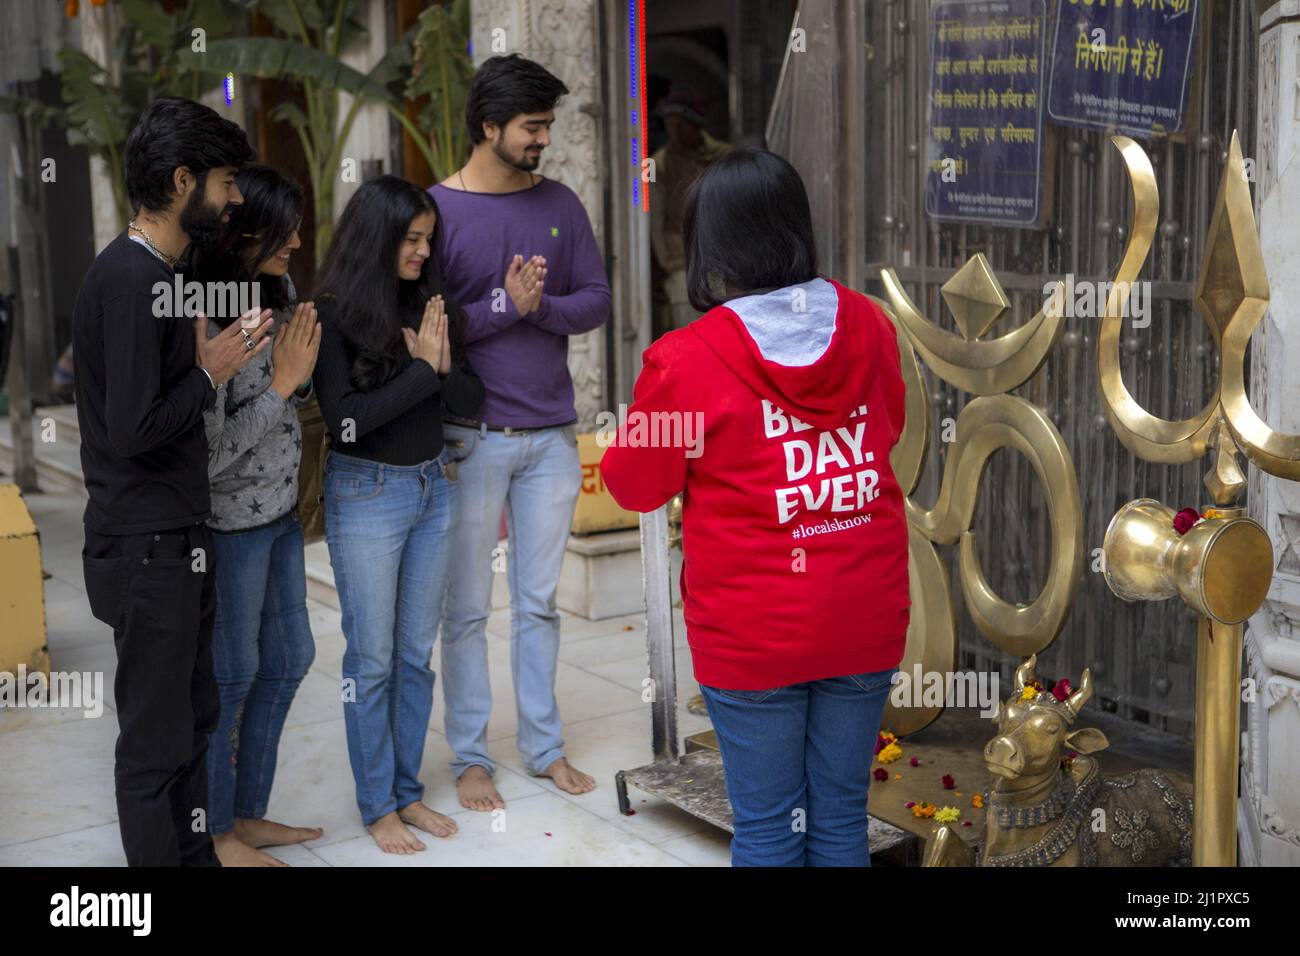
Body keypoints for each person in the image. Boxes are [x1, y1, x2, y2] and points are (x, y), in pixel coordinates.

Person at [600, 148, 911, 867]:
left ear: (711, 244)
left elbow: (634, 484)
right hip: (864, 608)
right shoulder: (870, 324)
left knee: (770, 832)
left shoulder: (686, 361)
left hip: (754, 630)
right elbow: (886, 428)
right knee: (840, 823)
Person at [73, 96, 267, 866]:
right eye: (223, 181)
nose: (234, 198)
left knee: (193, 721)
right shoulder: (126, 277)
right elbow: (131, 430)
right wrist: (212, 373)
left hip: (175, 538)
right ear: (181, 179)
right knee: (155, 745)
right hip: (145, 546)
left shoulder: (160, 273)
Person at [431, 53, 611, 812]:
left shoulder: (563, 204)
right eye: (533, 128)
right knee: (467, 608)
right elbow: (429, 329)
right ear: (489, 126)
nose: (544, 140)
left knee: (538, 603)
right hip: (470, 437)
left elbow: (597, 299)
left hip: (551, 437)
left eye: (546, 126)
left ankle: (543, 749)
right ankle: (472, 757)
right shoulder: (437, 212)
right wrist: (507, 306)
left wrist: (541, 309)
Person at [312, 175, 485, 855]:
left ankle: (407, 792)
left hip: (432, 488)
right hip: (367, 496)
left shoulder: (428, 304)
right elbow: (347, 424)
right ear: (377, 238)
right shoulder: (330, 317)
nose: (422, 250)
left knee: (415, 656)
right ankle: (377, 803)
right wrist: (422, 375)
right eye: (411, 239)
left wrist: (437, 368)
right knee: (373, 658)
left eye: (428, 239)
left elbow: (470, 397)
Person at [190, 165, 324, 866]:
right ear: (242, 231)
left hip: (279, 514)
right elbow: (209, 456)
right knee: (234, 675)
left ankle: (248, 813)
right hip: (231, 525)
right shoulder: (207, 314)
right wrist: (281, 385)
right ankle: (215, 834)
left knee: (292, 658)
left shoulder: (279, 291)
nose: (298, 241)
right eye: (285, 228)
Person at [649, 86, 732, 335]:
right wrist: (667, 262)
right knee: (691, 332)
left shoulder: (724, 156)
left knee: (723, 330)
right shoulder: (659, 164)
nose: (675, 131)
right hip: (681, 264)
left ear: (695, 124)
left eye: (681, 124)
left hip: (725, 259)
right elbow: (655, 219)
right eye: (670, 124)